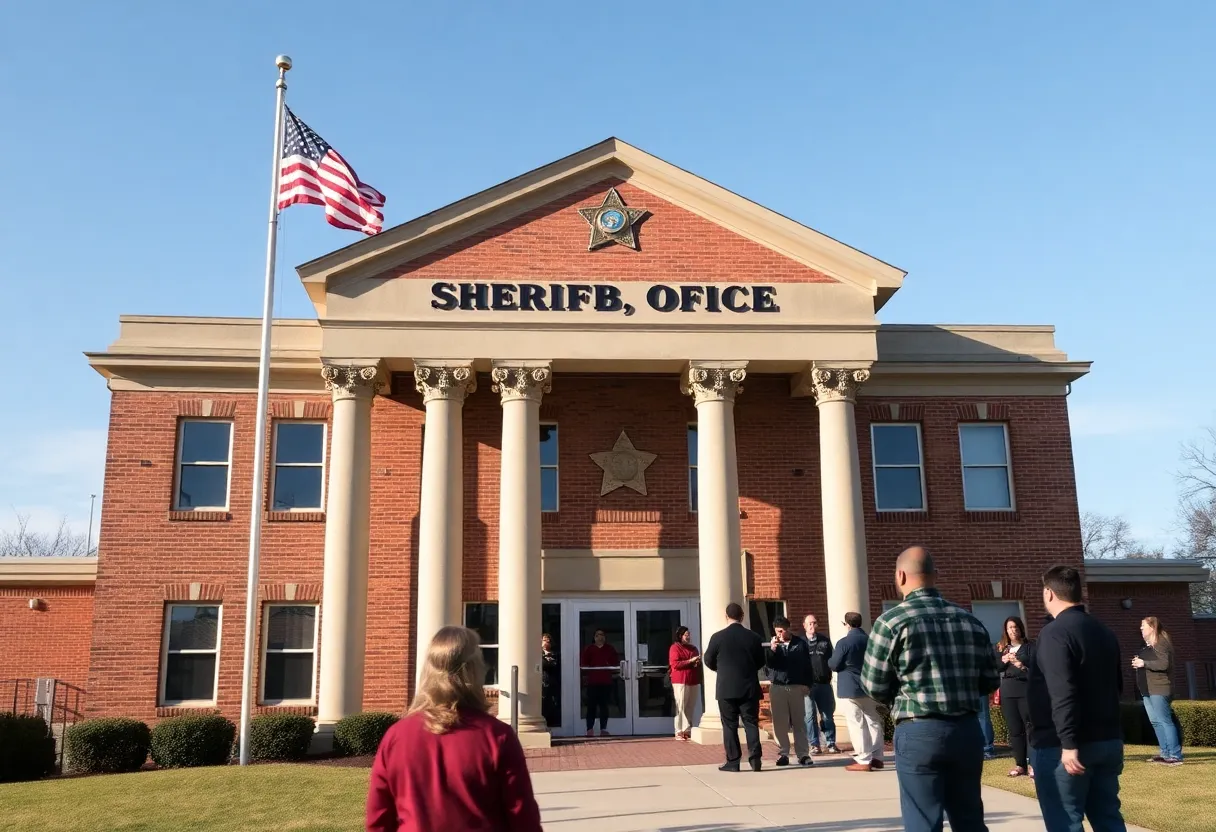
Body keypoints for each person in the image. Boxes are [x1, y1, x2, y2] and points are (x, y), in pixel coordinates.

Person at [861, 545, 1000, 832]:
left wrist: (898, 697)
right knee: (970, 819)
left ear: (900, 576)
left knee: (922, 821)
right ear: (935, 575)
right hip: (965, 729)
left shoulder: (891, 622)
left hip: (918, 728)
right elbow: (990, 680)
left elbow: (873, 684)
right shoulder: (970, 621)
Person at [366, 626, 542, 832]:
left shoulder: (396, 736)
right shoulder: (496, 736)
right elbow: (523, 819)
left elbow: (378, 820)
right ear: (473, 671)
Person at [1028, 565, 1126, 832]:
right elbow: (1116, 686)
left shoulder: (1054, 633)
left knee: (1065, 822)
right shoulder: (1104, 631)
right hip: (1107, 740)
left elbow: (1062, 690)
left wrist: (1068, 743)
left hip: (1065, 746)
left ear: (1048, 593)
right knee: (1108, 818)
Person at [703, 602, 766, 772]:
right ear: (742, 616)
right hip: (749, 687)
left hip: (726, 688)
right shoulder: (754, 637)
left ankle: (733, 761)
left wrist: (721, 669)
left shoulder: (717, 637)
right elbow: (761, 661)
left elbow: (708, 659)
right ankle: (755, 759)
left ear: (726, 616)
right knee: (751, 723)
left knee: (729, 725)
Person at [829, 611, 885, 772]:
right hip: (870, 686)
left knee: (857, 723)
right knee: (873, 721)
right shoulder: (871, 640)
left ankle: (864, 758)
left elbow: (834, 664)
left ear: (846, 624)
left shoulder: (844, 642)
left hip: (851, 687)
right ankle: (877, 756)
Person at [1132, 616, 1183, 766]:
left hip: (1159, 688)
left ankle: (1175, 755)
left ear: (1152, 627)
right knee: (1155, 721)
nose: (1141, 628)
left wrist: (1144, 663)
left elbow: (1163, 664)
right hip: (1147, 689)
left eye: (1143, 626)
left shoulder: (1161, 643)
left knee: (1164, 721)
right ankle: (1164, 753)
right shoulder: (1146, 645)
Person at [764, 616, 814, 766]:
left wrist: (808, 684)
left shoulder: (800, 644)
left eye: (781, 631)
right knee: (780, 722)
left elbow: (807, 665)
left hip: (796, 686)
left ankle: (803, 754)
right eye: (776, 631)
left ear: (788, 629)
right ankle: (783, 753)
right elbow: (769, 664)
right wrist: (772, 649)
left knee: (799, 722)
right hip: (778, 686)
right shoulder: (773, 645)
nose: (779, 634)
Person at [996, 616, 1034, 777]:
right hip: (1008, 691)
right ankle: (1020, 764)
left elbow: (1037, 669)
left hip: (1025, 690)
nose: (1013, 630)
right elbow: (995, 667)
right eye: (1009, 627)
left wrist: (1020, 665)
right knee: (1015, 730)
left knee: (1030, 727)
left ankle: (1033, 764)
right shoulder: (1002, 648)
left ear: (1020, 628)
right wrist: (1003, 660)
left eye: (1015, 627)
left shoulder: (1030, 646)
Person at [802, 613, 839, 755]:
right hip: (807, 685)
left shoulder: (824, 641)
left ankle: (831, 743)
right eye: (809, 623)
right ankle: (814, 744)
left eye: (814, 623)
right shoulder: (800, 642)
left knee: (827, 715)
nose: (812, 626)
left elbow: (832, 660)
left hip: (824, 684)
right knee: (809, 715)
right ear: (804, 626)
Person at [580, 628, 619, 737]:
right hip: (593, 682)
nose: (600, 637)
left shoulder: (609, 649)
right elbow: (584, 664)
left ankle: (603, 729)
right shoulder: (589, 649)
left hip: (605, 682)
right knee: (591, 706)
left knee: (604, 706)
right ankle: (589, 729)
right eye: (597, 635)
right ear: (594, 637)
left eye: (602, 635)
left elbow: (615, 662)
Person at [669, 625, 702, 741]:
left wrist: (697, 662)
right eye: (685, 635)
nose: (688, 637)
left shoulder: (693, 648)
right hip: (680, 680)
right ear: (680, 636)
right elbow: (675, 664)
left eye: (689, 635)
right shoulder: (675, 648)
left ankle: (687, 730)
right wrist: (690, 661)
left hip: (693, 680)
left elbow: (696, 663)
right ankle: (679, 730)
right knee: (681, 705)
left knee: (690, 706)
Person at [541, 632, 560, 728]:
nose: (546, 643)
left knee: (553, 704)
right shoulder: (538, 654)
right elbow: (543, 665)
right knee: (543, 704)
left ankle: (552, 723)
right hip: (543, 683)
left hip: (553, 683)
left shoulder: (555, 654)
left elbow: (555, 666)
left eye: (548, 641)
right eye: (544, 640)